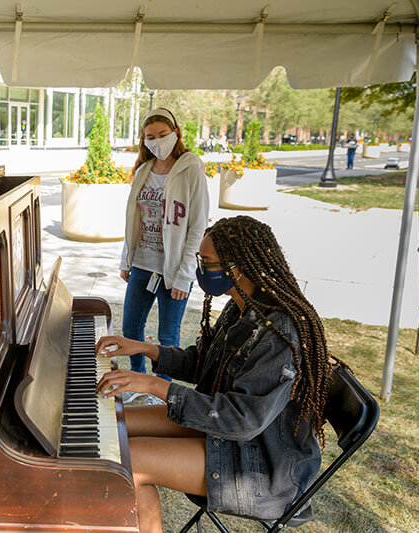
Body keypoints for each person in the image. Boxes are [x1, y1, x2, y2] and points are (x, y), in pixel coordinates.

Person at [96, 215, 337, 533]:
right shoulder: (243, 304)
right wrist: (145, 349)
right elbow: (204, 363)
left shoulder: (281, 330)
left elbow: (243, 420)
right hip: (225, 430)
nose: (200, 269)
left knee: (128, 464)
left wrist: (156, 386)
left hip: (264, 466)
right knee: (111, 425)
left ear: (239, 267)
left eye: (207, 262)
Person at [119, 107, 209, 404]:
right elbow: (134, 220)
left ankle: (161, 392)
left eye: (162, 135)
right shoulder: (143, 171)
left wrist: (184, 275)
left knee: (167, 337)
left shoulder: (190, 168)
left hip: (172, 270)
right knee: (131, 328)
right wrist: (126, 260)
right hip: (143, 264)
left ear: (176, 133)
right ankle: (135, 381)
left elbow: (197, 225)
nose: (156, 141)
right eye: (150, 137)